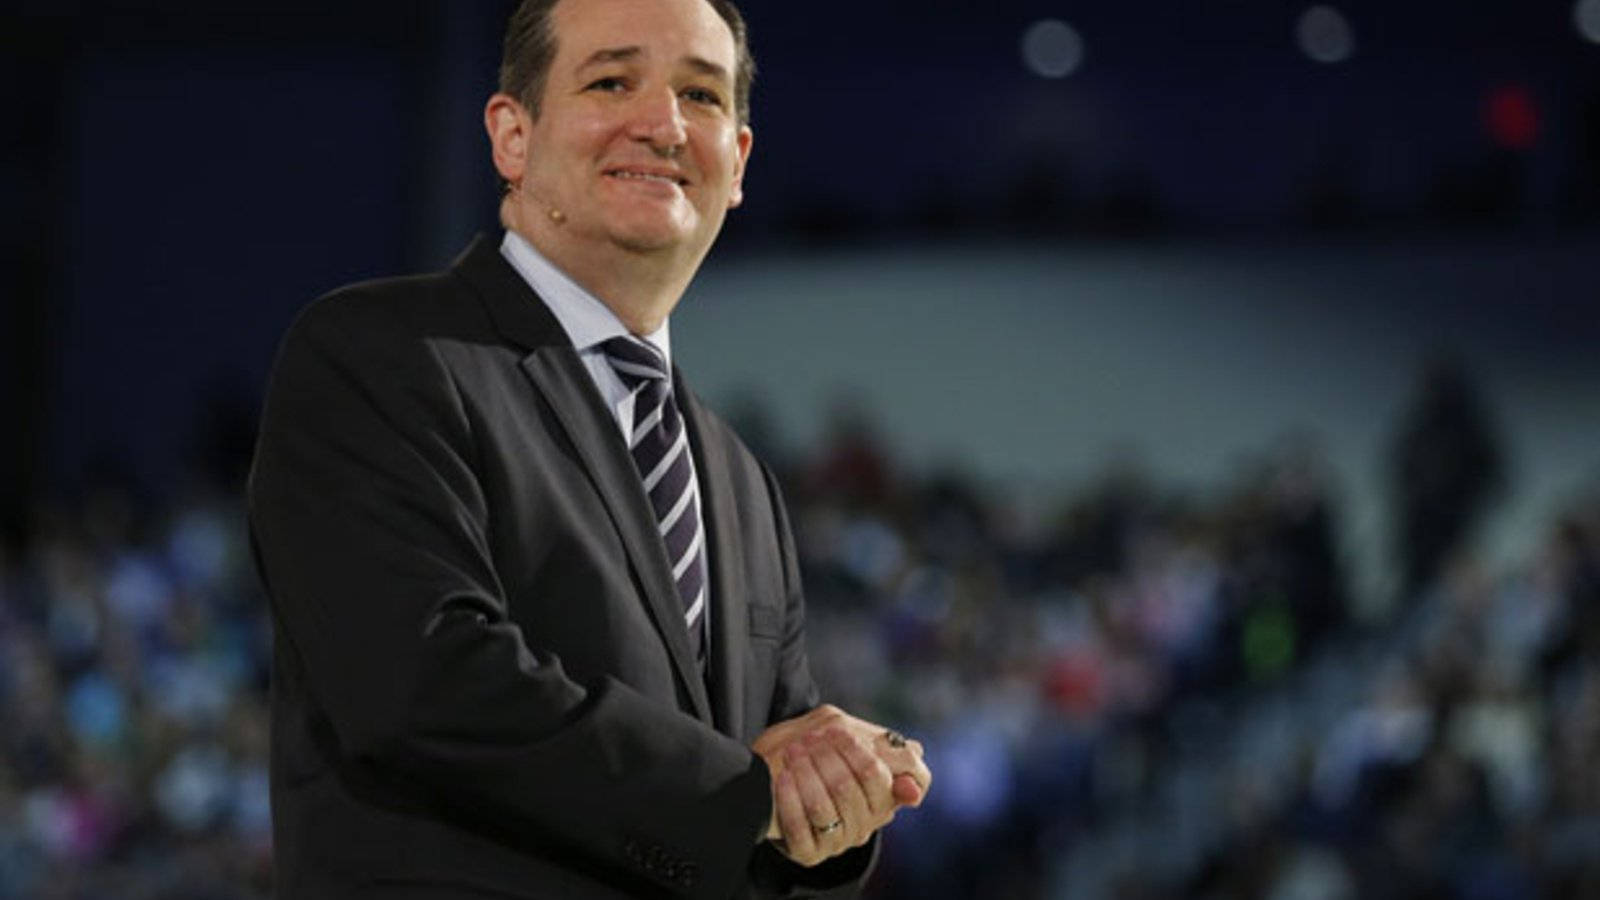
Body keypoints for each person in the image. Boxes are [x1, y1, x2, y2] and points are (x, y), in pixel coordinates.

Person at [246, 0, 931, 897]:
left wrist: (838, 794)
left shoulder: (741, 482)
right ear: (512, 135)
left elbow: (773, 781)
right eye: (612, 81)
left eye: (702, 94)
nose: (664, 124)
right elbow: (423, 683)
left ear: (738, 166)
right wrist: (745, 795)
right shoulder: (382, 356)